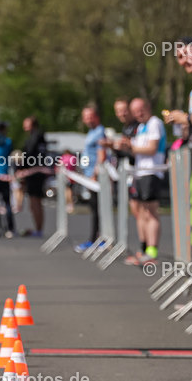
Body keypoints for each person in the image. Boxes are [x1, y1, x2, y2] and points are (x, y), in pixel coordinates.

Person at [115, 98, 166, 265]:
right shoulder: (141, 127)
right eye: (135, 111)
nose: (139, 114)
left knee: (150, 212)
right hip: (139, 172)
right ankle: (144, 249)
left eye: (141, 109)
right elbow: (135, 150)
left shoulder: (154, 123)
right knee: (140, 213)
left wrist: (130, 147)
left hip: (152, 171)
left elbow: (151, 148)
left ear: (148, 107)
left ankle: (152, 250)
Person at [74, 104, 105, 254]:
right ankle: (96, 238)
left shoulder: (100, 132)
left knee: (97, 208)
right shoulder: (92, 132)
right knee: (94, 208)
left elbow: (101, 154)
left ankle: (97, 239)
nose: (87, 120)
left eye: (90, 116)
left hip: (95, 176)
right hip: (88, 175)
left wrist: (95, 173)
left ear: (96, 117)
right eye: (85, 117)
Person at [19, 116, 50, 237]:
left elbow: (29, 154)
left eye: (26, 124)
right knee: (34, 202)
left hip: (34, 173)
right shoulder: (39, 137)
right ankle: (38, 228)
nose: (24, 126)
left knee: (35, 201)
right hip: (35, 172)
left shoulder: (35, 137)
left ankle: (39, 229)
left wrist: (22, 168)